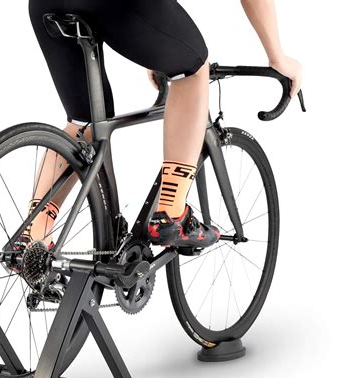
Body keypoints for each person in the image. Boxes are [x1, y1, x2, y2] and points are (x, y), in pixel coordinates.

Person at [26, 0, 302, 249]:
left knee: (84, 121)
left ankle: (33, 234)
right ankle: (171, 214)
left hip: (47, 5)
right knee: (193, 70)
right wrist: (277, 57)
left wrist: (159, 48)